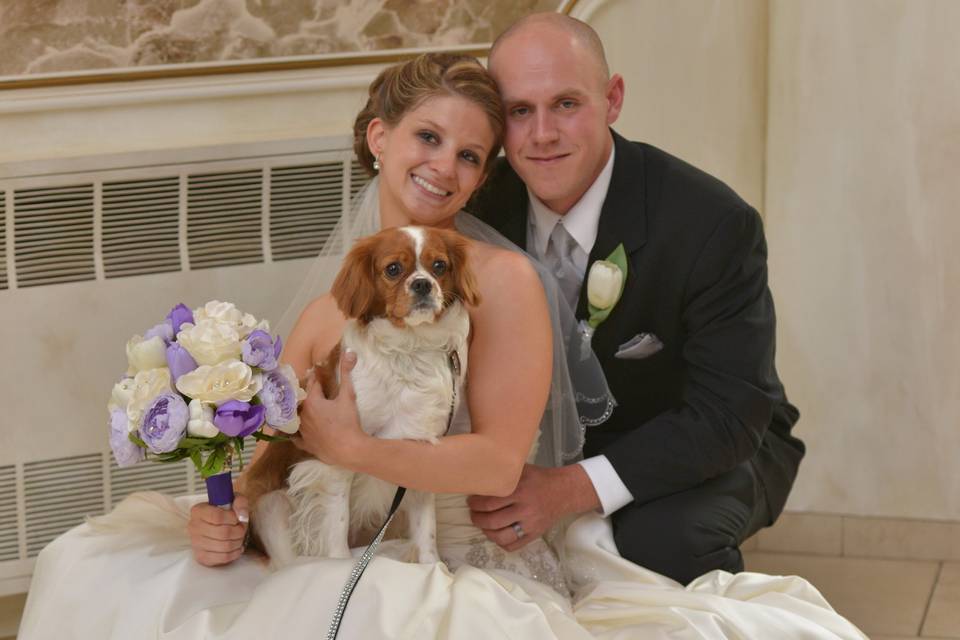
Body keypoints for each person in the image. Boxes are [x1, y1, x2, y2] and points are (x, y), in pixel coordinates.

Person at [19, 52, 865, 640]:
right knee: (98, 569)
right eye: (428, 139)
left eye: (470, 155)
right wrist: (225, 514)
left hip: (442, 542)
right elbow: (273, 459)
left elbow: (498, 463)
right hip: (329, 530)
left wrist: (350, 446)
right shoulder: (331, 305)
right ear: (379, 136)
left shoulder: (497, 281)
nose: (448, 168)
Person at [466, 13, 806, 585]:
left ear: (613, 98)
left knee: (664, 542)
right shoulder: (478, 206)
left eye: (566, 104)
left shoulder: (710, 223)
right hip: (528, 446)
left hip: (708, 442)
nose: (542, 134)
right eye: (520, 111)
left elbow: (729, 414)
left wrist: (570, 488)